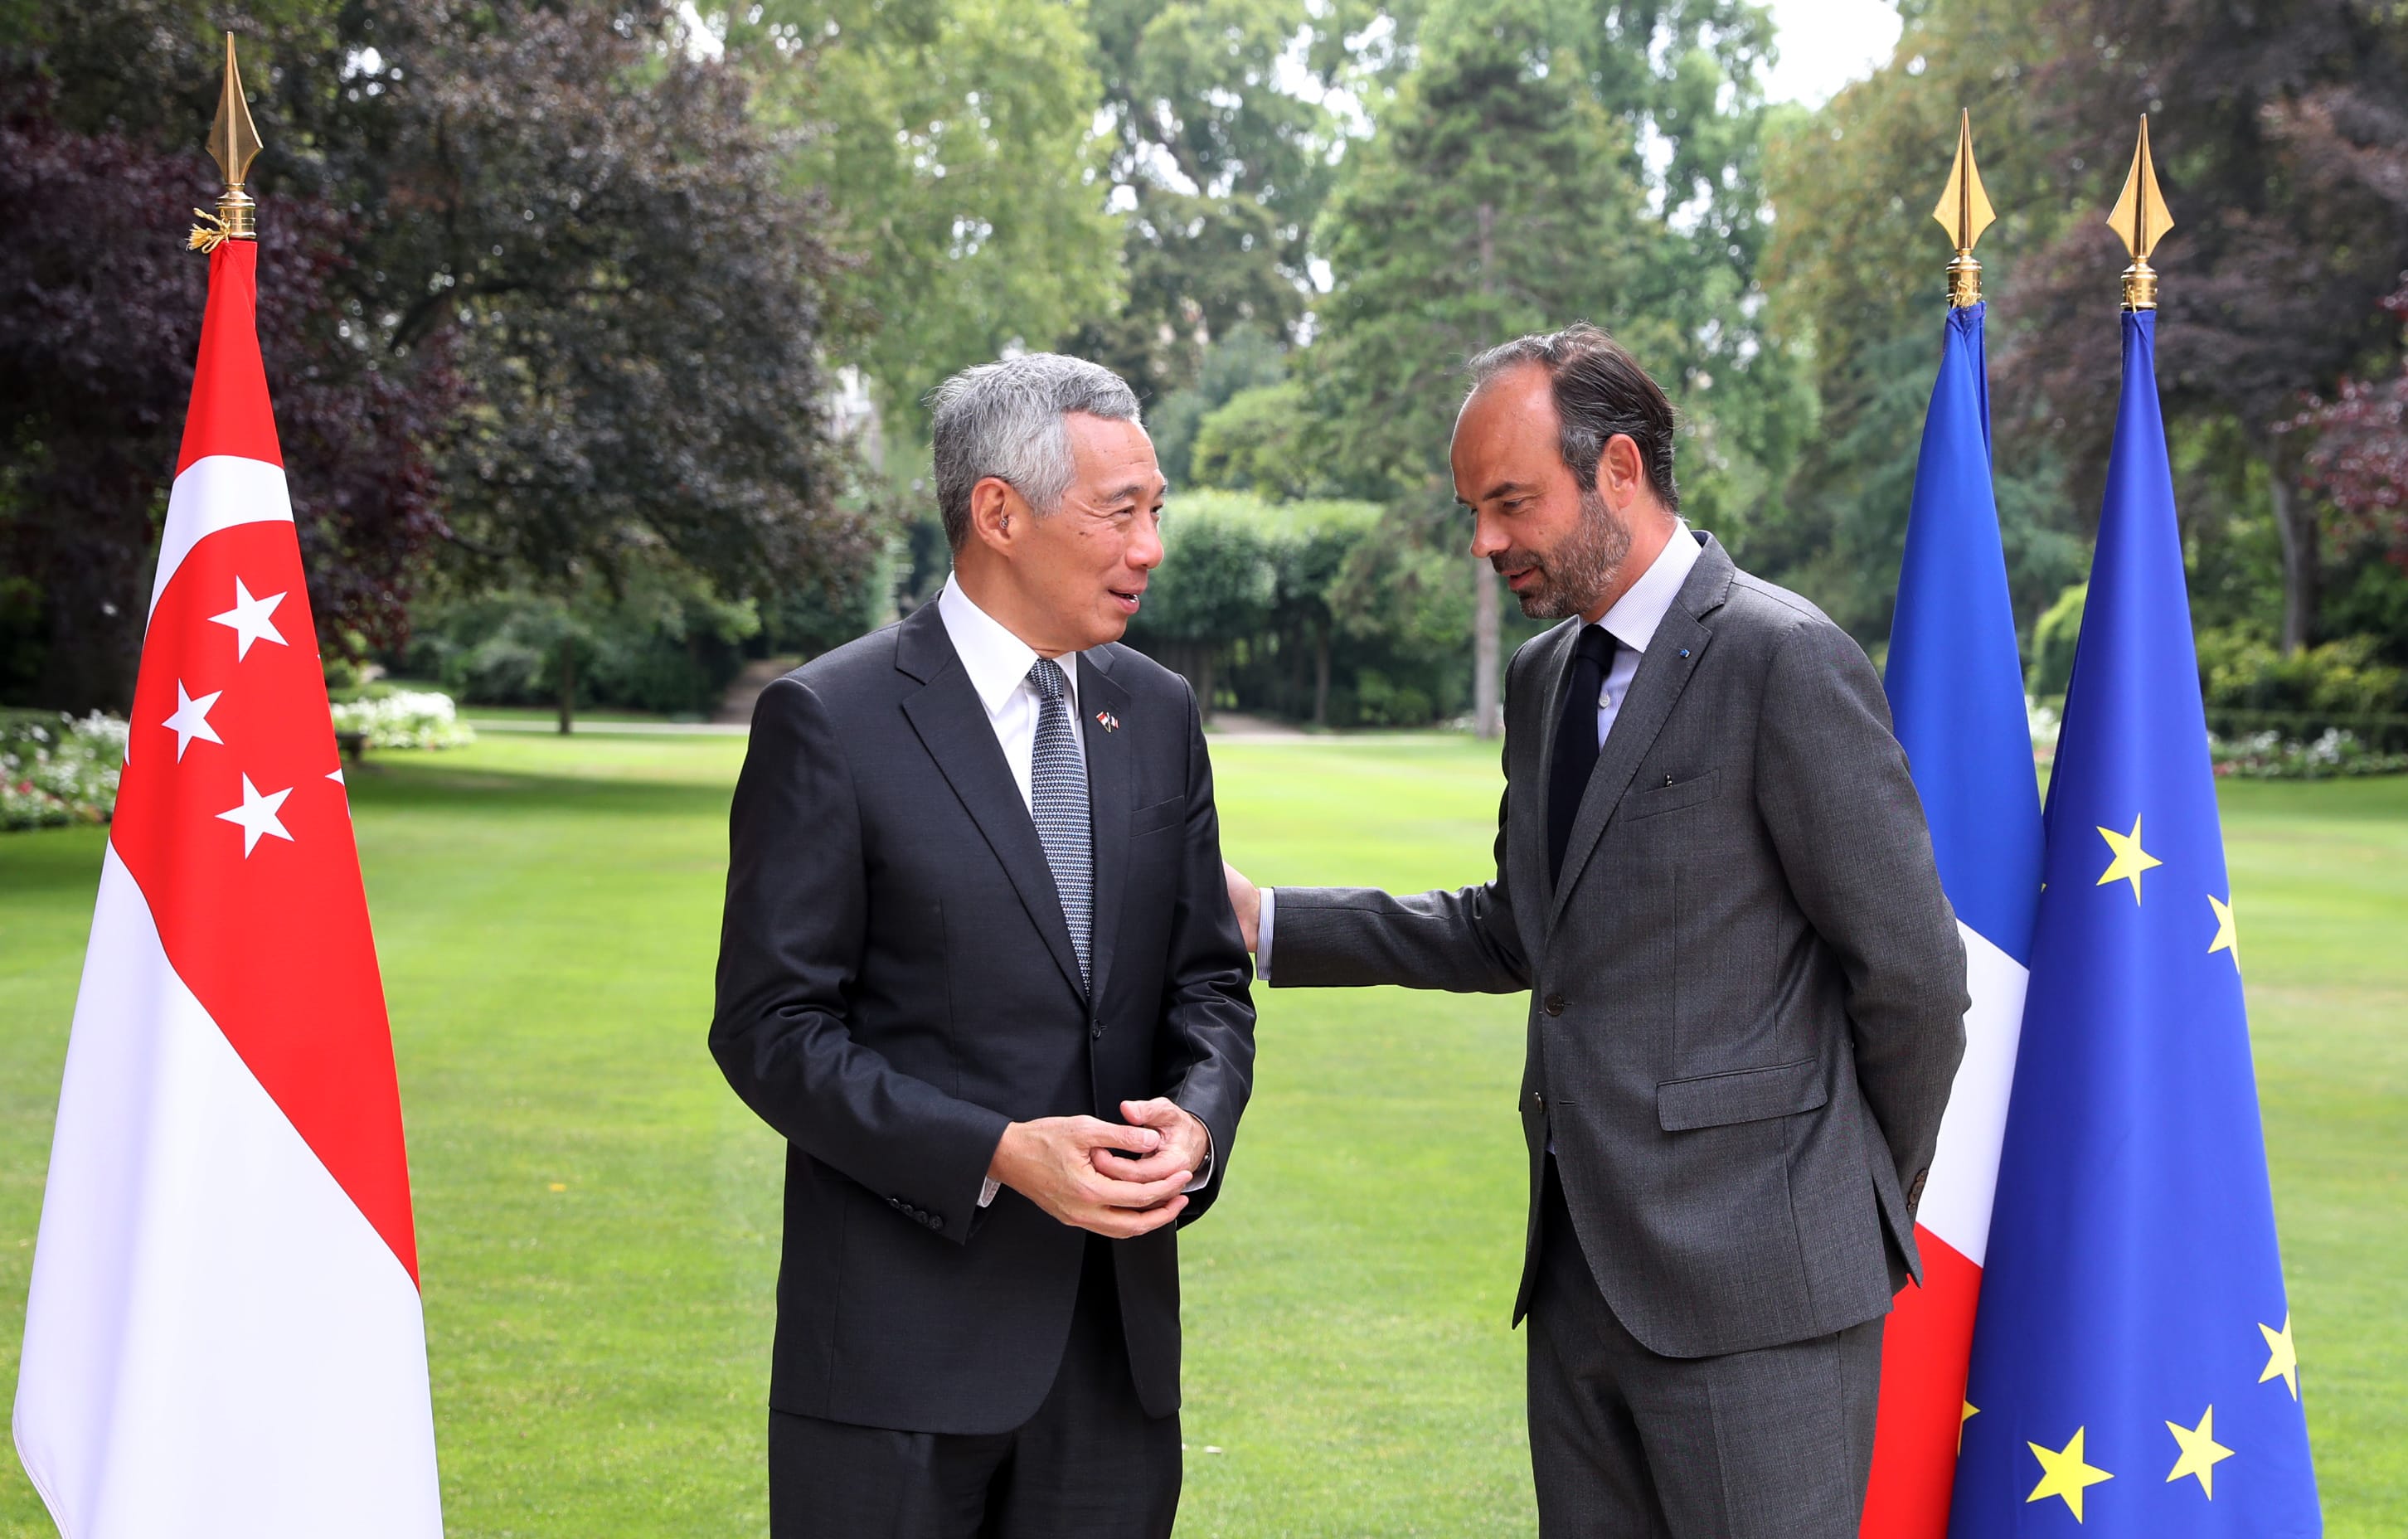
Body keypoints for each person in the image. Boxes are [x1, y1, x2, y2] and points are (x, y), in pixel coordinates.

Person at [1223, 324, 1968, 1537]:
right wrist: (1268, 925)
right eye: (1473, 509)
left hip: (1764, 1304)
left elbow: (1918, 985)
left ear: (1619, 469)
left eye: (1511, 503)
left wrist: (1839, 1201)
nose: (1485, 543)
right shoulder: (1543, 677)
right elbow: (1525, 932)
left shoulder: (1785, 659)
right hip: (1575, 1290)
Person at [712, 352, 1255, 1539]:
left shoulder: (1158, 713)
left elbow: (1207, 981)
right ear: (997, 512)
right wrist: (999, 1153)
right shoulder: (830, 721)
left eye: (1155, 509)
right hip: (893, 1372)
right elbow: (771, 1030)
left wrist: (1200, 1120)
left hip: (1116, 1369)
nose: (1150, 546)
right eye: (1122, 512)